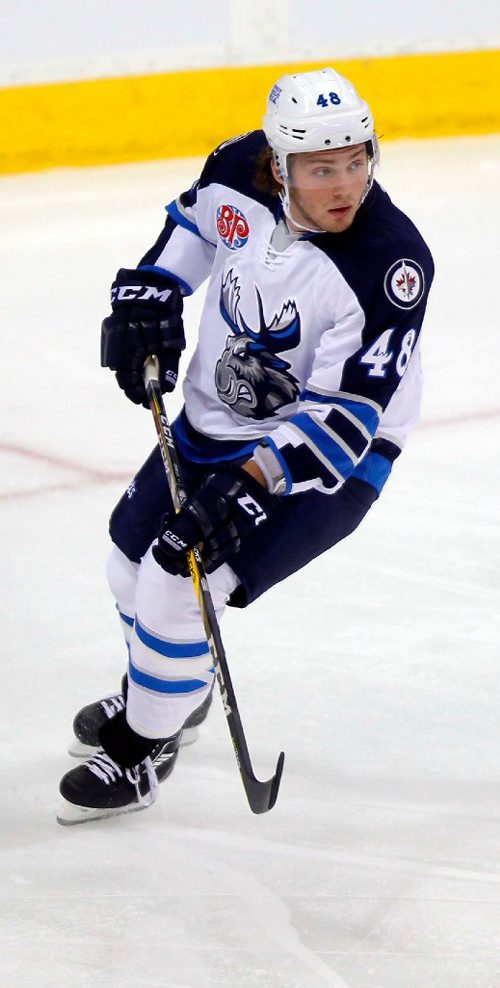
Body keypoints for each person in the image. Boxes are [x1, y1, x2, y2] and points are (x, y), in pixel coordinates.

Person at [57, 66, 434, 824]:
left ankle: (140, 750)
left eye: (358, 160)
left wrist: (252, 483)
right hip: (214, 419)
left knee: (178, 576)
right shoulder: (237, 168)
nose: (346, 184)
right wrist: (153, 289)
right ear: (278, 161)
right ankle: (172, 693)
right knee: (128, 562)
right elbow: (193, 232)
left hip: (327, 461)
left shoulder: (387, 263)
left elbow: (346, 419)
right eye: (322, 168)